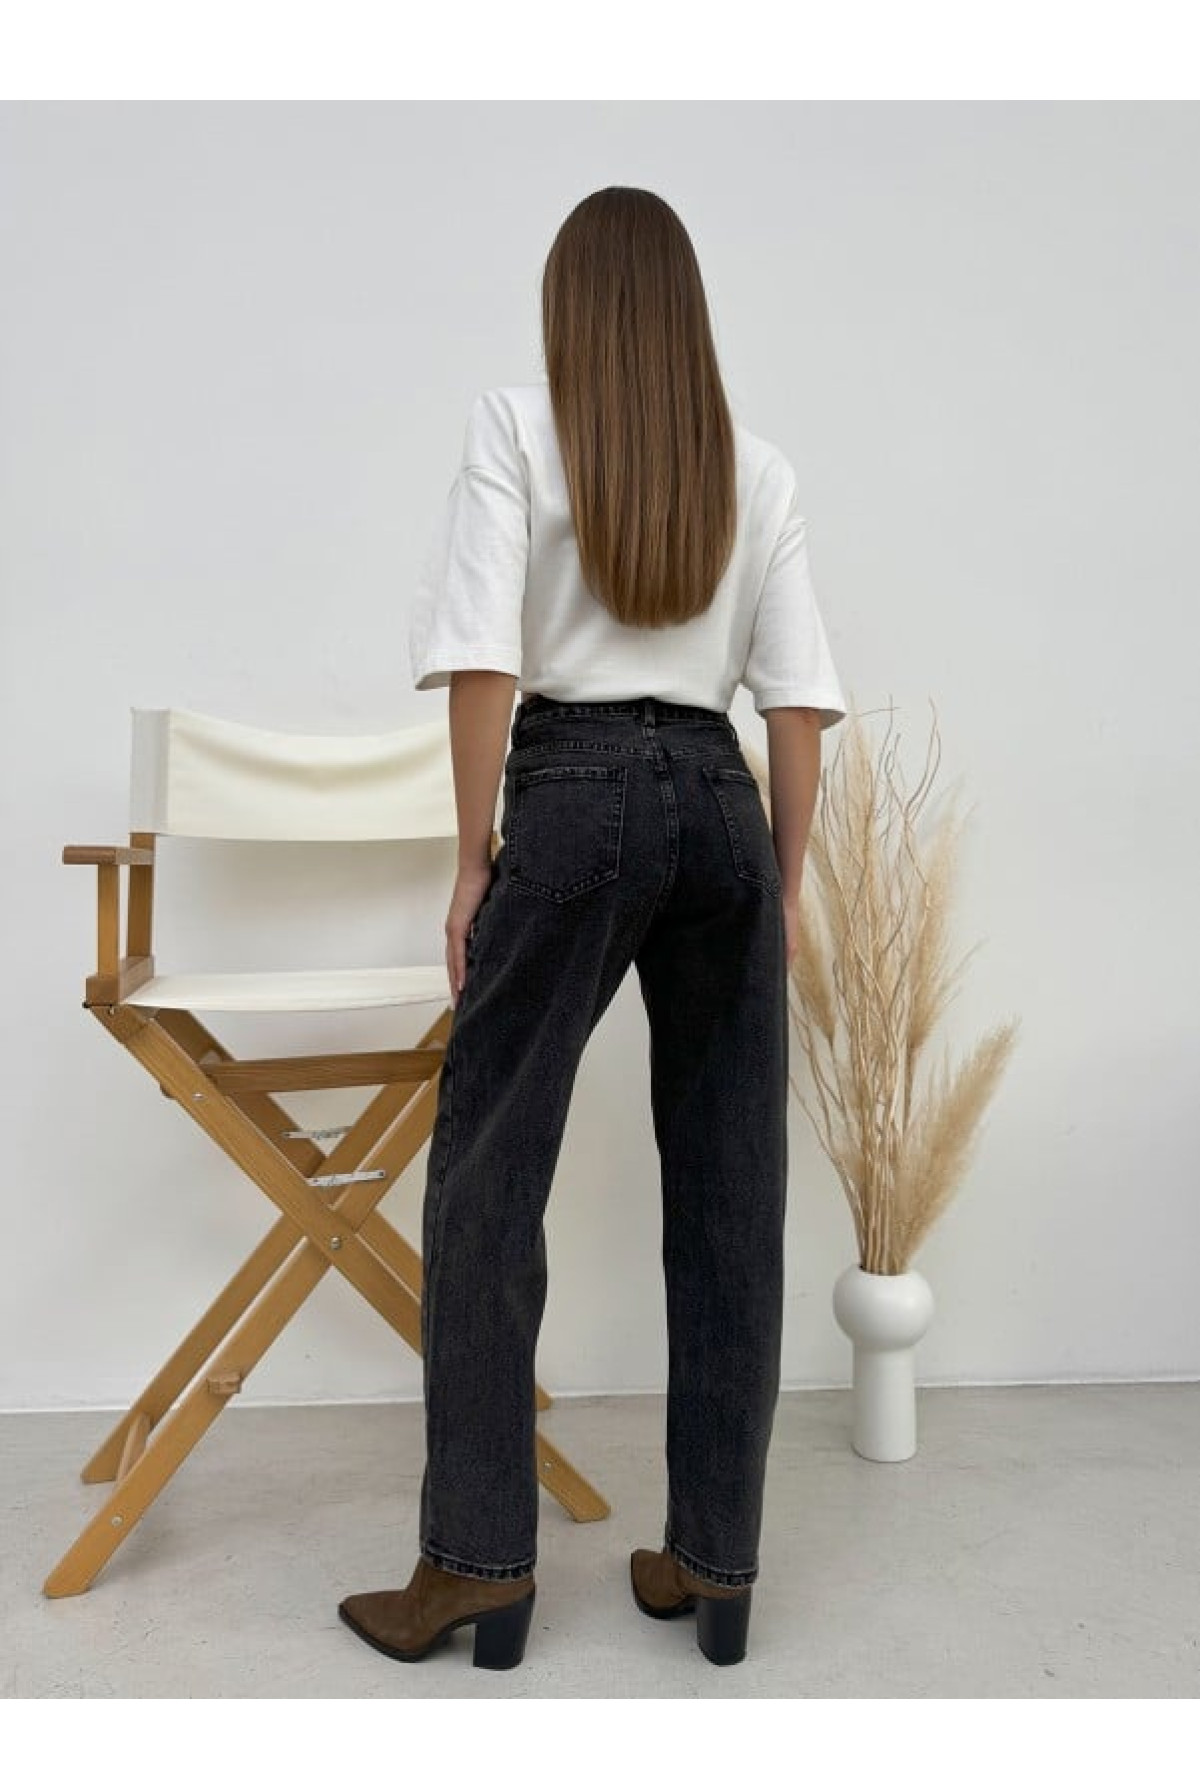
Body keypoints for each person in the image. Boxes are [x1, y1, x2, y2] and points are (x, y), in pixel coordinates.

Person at [338, 185, 847, 1671]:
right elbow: (796, 708)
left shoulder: (515, 427)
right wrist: (785, 887)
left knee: (489, 1176)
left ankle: (477, 1567)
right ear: (686, 313)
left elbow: (484, 659)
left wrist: (471, 861)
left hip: (568, 795)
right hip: (721, 799)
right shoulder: (757, 467)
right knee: (733, 1188)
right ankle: (715, 1569)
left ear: (570, 305)